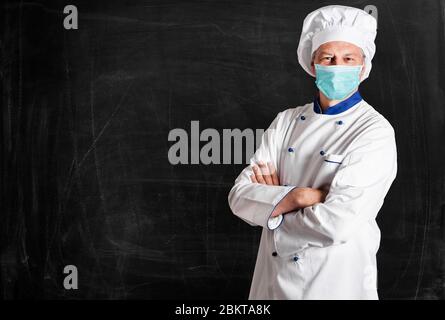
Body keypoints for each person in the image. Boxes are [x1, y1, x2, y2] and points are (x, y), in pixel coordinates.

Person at [227, 5, 398, 300]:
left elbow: (337, 223)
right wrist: (299, 197)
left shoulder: (374, 131)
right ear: (312, 63)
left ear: (363, 66)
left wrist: (272, 210)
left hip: (336, 280)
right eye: (328, 58)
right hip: (272, 281)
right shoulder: (286, 121)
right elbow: (240, 197)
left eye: (348, 59)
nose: (337, 66)